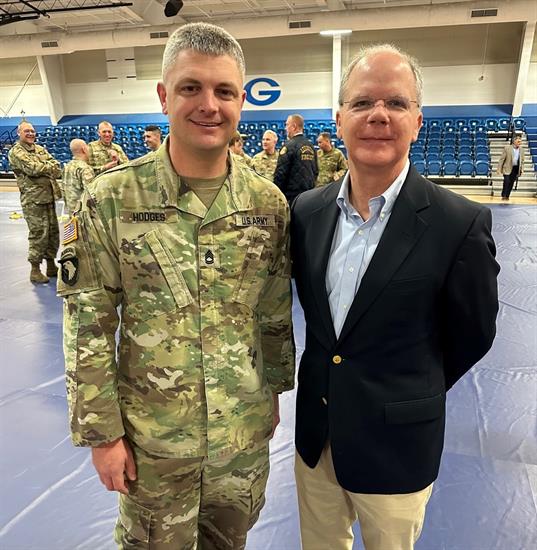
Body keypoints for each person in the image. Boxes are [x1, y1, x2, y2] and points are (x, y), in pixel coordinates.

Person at [58, 22, 294, 550]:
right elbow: (88, 323)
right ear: (164, 96)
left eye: (224, 91)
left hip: (241, 437)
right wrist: (102, 434)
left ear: (241, 102)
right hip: (154, 443)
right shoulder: (111, 198)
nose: (209, 105)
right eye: (191, 87)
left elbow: (274, 311)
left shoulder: (267, 204)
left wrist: (274, 395)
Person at [291, 44, 500, 550]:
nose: (378, 115)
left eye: (396, 103)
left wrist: (410, 388)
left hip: (398, 444)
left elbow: (473, 333)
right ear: (339, 120)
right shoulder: (307, 211)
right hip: (316, 437)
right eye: (362, 103)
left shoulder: (458, 222)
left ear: (417, 122)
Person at [8, 121, 61, 284]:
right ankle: (35, 270)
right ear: (19, 133)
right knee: (38, 234)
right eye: (27, 131)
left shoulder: (39, 149)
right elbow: (32, 169)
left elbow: (57, 167)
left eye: (32, 131)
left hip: (49, 196)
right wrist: (47, 167)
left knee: (52, 232)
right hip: (33, 200)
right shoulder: (16, 151)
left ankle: (51, 265)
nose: (30, 133)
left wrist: (44, 167)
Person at [274, 114, 318, 203]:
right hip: (308, 196)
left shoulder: (288, 146)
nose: (285, 128)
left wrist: (276, 194)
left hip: (292, 197)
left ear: (294, 127)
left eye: (287, 125)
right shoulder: (311, 146)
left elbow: (281, 174)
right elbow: (315, 171)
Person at [62, 139, 94, 216]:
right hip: (83, 213)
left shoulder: (67, 166)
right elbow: (91, 193)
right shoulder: (84, 168)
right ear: (84, 149)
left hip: (71, 211)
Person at [497, 135, 524, 200]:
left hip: (515, 168)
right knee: (506, 181)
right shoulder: (507, 148)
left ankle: (507, 196)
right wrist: (499, 169)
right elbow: (502, 159)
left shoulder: (522, 149)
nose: (520, 143)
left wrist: (522, 169)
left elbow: (522, 161)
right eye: (518, 141)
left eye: (520, 141)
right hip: (507, 167)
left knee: (511, 182)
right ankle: (503, 195)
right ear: (514, 141)